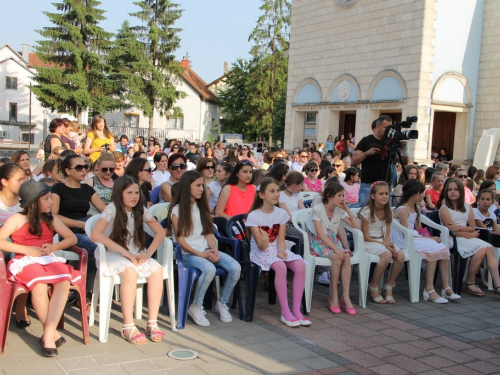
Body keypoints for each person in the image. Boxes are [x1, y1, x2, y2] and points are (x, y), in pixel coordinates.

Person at [0, 179, 80, 356]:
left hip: (48, 259)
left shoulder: (51, 219)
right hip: (25, 261)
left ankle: (49, 332)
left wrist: (53, 247)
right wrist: (25, 249)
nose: (51, 202)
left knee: (64, 281)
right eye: (47, 198)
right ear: (34, 202)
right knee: (39, 286)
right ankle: (50, 335)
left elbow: (71, 238)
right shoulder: (17, 218)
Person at [90, 176, 166, 344]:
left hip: (135, 252)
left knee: (157, 270)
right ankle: (127, 325)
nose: (134, 196)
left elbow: (160, 233)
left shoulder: (141, 210)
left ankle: (152, 322)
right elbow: (96, 234)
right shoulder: (112, 208)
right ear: (119, 193)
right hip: (112, 253)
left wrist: (148, 253)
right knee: (130, 272)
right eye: (129, 193)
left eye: (137, 193)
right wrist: (125, 253)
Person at [168, 171, 241, 326]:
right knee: (209, 269)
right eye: (198, 185)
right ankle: (195, 306)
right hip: (188, 254)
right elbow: (180, 240)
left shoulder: (202, 208)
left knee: (235, 267)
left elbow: (208, 233)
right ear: (187, 187)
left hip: (205, 250)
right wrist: (201, 254)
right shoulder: (177, 210)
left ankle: (222, 303)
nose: (202, 189)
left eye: (203, 185)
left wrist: (214, 250)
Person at [246, 177, 308, 327]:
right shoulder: (254, 215)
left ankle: (296, 310)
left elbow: (281, 240)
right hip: (259, 251)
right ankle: (285, 312)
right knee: (280, 267)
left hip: (275, 250)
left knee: (300, 265)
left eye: (277, 191)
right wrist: (265, 242)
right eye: (272, 191)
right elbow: (261, 246)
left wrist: (282, 252)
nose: (276, 194)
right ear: (261, 195)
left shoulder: (281, 213)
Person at [51, 154, 106, 307]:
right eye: (79, 167)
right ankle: (85, 293)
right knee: (94, 247)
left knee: (104, 245)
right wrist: (79, 224)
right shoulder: (58, 188)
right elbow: (53, 215)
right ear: (68, 171)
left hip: (85, 230)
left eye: (85, 167)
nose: (83, 171)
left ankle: (95, 291)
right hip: (65, 233)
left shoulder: (87, 189)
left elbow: (105, 209)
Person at [393, 180, 459, 303]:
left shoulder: (416, 208)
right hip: (403, 240)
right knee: (434, 248)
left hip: (413, 237)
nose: (423, 195)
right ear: (413, 194)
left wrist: (428, 238)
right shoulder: (402, 210)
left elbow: (418, 229)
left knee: (442, 248)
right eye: (421, 193)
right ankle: (429, 289)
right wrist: (429, 239)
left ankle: (446, 287)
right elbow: (406, 233)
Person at [439, 178, 500, 297]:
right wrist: (469, 234)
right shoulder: (444, 208)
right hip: (452, 239)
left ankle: (497, 285)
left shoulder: (467, 207)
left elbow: (472, 227)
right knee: (482, 248)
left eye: (456, 189)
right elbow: (450, 230)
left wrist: (461, 228)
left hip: (465, 236)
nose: (452, 192)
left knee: (490, 248)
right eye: (450, 189)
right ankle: (470, 282)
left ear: (461, 192)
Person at [307, 182, 359, 314]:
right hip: (319, 242)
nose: (342, 198)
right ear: (329, 196)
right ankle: (334, 296)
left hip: (333, 241)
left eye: (343, 195)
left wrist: (347, 208)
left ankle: (345, 296)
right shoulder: (318, 209)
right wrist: (336, 249)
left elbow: (356, 226)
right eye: (339, 195)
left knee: (346, 257)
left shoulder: (339, 210)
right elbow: (319, 234)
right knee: (337, 258)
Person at [360, 182, 405, 304]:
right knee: (387, 256)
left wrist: (388, 243)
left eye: (386, 193)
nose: (385, 196)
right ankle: (373, 286)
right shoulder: (366, 211)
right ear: (373, 196)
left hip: (381, 241)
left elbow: (387, 234)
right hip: (368, 241)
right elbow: (365, 236)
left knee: (400, 255)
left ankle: (389, 285)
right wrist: (384, 245)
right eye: (381, 194)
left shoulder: (388, 211)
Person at [351, 115, 409, 207]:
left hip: (385, 184)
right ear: (378, 126)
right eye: (386, 127)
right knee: (364, 209)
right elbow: (353, 161)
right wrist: (366, 153)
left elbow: (404, 162)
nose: (388, 130)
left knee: (385, 212)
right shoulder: (366, 140)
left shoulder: (391, 142)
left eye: (390, 128)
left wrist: (405, 148)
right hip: (368, 184)